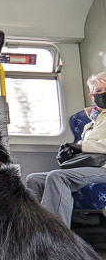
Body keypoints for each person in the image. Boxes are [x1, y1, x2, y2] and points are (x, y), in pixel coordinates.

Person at [26, 70, 106, 228]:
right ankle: (33, 231)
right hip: (89, 168)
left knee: (58, 177)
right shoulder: (91, 123)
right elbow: (85, 152)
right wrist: (66, 156)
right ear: (91, 96)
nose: (102, 94)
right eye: (98, 91)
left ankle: (56, 236)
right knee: (33, 179)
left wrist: (81, 146)